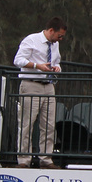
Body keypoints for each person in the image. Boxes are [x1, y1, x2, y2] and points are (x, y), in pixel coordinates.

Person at [14, 17, 67, 167]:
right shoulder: (31, 40)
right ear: (51, 31)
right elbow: (18, 60)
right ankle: (24, 160)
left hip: (49, 86)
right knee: (27, 124)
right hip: (31, 84)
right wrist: (38, 66)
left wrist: (57, 68)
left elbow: (56, 62)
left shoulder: (54, 45)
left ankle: (46, 159)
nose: (60, 39)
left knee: (49, 125)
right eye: (59, 35)